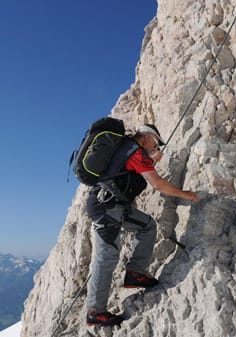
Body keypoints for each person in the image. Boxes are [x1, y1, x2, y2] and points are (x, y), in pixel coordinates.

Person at [85, 124, 200, 326]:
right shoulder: (135, 152)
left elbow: (126, 170)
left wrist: (150, 159)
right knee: (107, 256)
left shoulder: (128, 150)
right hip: (106, 208)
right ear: (146, 137)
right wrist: (186, 194)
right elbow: (158, 184)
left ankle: (135, 273)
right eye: (155, 144)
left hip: (115, 206)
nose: (154, 149)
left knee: (147, 226)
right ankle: (96, 311)